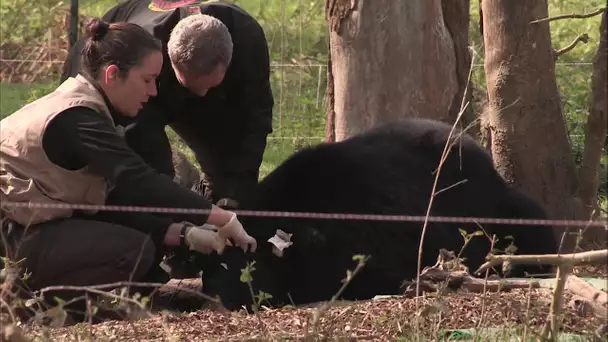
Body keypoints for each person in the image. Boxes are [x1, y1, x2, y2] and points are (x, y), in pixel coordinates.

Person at [0, 17, 256, 324]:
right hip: (10, 233)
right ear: (112, 75)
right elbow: (137, 180)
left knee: (133, 236)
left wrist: (185, 234)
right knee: (133, 249)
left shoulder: (85, 105)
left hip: (18, 227)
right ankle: (41, 311)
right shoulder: (78, 120)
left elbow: (107, 201)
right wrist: (221, 217)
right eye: (147, 80)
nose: (152, 92)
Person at [60, 0, 274, 207]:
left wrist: (237, 190)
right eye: (190, 85)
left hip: (188, 78)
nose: (201, 94)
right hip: (120, 67)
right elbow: (136, 138)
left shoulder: (246, 39)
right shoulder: (141, 51)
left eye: (210, 86)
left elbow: (256, 116)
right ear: (170, 61)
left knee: (231, 175)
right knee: (137, 174)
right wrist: (167, 204)